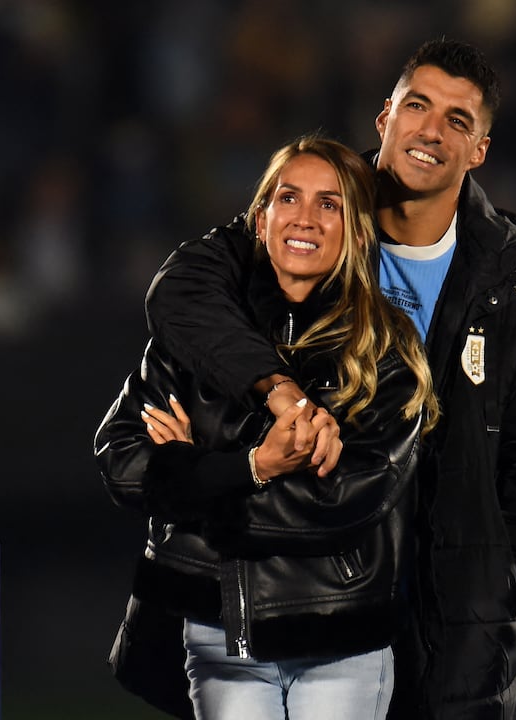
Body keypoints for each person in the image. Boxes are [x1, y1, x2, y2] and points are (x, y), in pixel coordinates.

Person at [142, 39, 516, 720]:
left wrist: (502, 583)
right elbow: (181, 290)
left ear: (479, 151)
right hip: (303, 615)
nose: (431, 131)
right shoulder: (307, 216)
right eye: (418, 106)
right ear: (385, 116)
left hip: (452, 633)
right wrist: (276, 389)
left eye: (457, 120)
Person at [95, 135, 438, 720]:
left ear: (357, 230)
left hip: (342, 641)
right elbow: (121, 459)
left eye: (329, 204)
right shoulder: (198, 337)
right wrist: (253, 466)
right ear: (260, 219)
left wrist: (197, 483)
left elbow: (348, 499)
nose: (305, 217)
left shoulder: (387, 348)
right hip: (216, 633)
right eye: (289, 197)